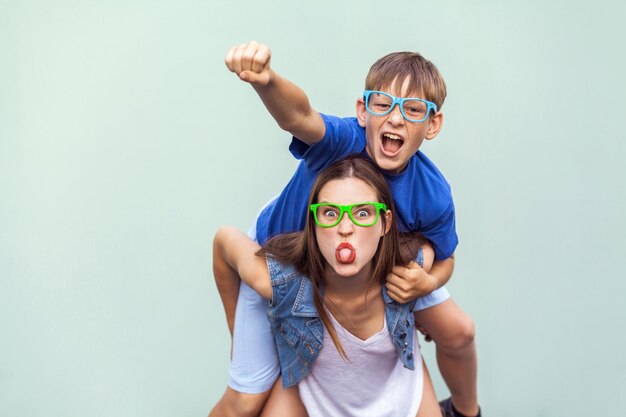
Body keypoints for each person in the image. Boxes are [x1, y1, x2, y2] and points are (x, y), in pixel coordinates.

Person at [210, 41, 480, 417]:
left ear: (432, 124)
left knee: (459, 330)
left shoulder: (432, 193)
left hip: (370, 259)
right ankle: (253, 345)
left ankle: (466, 411)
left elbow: (446, 257)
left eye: (413, 110)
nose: (396, 119)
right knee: (246, 400)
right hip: (285, 257)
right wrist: (266, 81)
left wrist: (428, 283)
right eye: (382, 104)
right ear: (362, 112)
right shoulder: (343, 142)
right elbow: (298, 115)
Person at [213, 156, 442, 416]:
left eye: (362, 213)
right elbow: (224, 240)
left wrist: (429, 284)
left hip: (399, 394)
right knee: (242, 405)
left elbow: (436, 253)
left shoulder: (409, 270)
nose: (345, 228)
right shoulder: (283, 283)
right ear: (313, 223)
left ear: (385, 224)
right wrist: (238, 339)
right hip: (313, 397)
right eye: (330, 213)